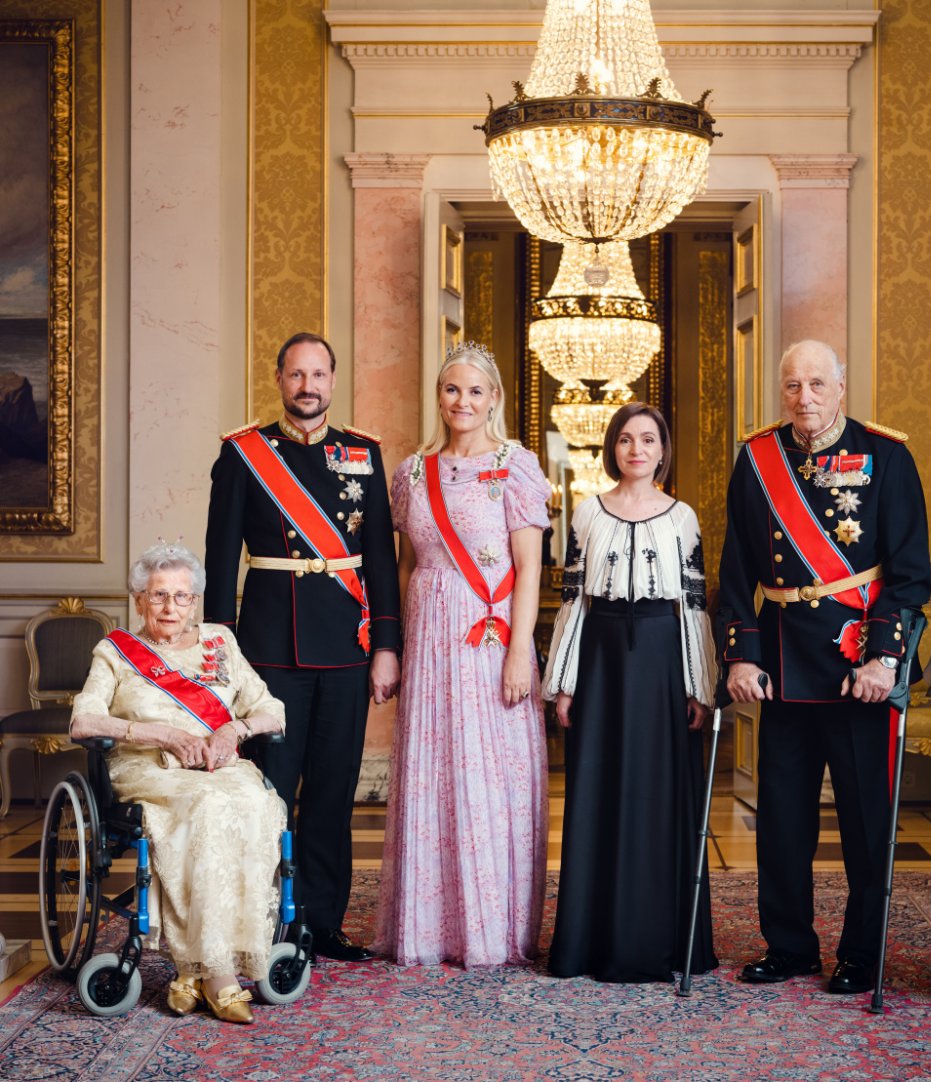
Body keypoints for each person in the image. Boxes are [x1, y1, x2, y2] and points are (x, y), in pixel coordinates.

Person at [719, 339, 931, 994]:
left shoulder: (887, 456)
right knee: (781, 820)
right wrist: (740, 654)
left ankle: (861, 954)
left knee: (867, 825)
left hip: (857, 668)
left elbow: (908, 574)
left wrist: (884, 656)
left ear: (841, 385)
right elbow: (735, 572)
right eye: (792, 386)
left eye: (816, 383)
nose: (804, 398)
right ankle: (789, 946)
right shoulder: (756, 459)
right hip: (782, 667)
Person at [204, 332, 401, 962]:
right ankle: (262, 922)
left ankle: (320, 922)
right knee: (268, 793)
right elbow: (216, 563)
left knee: (333, 792)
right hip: (269, 653)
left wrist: (388, 647)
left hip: (346, 647)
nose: (307, 386)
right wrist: (219, 660)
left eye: (318, 374)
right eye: (296, 374)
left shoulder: (363, 453)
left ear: (333, 381)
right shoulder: (243, 455)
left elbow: (382, 565)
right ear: (280, 379)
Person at [372, 341, 550, 967]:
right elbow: (401, 568)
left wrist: (520, 654)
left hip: (491, 635)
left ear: (494, 398)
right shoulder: (412, 472)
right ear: (438, 396)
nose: (462, 402)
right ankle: (429, 930)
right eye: (452, 390)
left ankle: (490, 929)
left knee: (487, 776)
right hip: (428, 636)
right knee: (435, 771)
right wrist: (390, 645)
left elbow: (528, 569)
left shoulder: (518, 465)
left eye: (476, 391)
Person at [70, 541, 287, 1024]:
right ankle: (219, 976)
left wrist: (235, 728)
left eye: (181, 596)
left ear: (196, 601)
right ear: (139, 599)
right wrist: (160, 733)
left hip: (217, 766)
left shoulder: (219, 643)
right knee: (205, 810)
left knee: (257, 804)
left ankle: (192, 972)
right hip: (148, 769)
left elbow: (271, 707)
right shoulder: (116, 651)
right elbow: (83, 722)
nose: (170, 607)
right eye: (158, 595)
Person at [543, 403, 719, 982]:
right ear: (611, 449)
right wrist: (564, 685)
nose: (636, 449)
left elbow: (693, 606)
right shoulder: (588, 514)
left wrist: (700, 685)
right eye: (625, 439)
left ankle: (663, 940)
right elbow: (573, 601)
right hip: (602, 659)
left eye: (648, 439)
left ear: (663, 449)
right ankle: (592, 942)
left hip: (665, 660)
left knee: (661, 792)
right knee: (599, 788)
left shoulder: (683, 518)